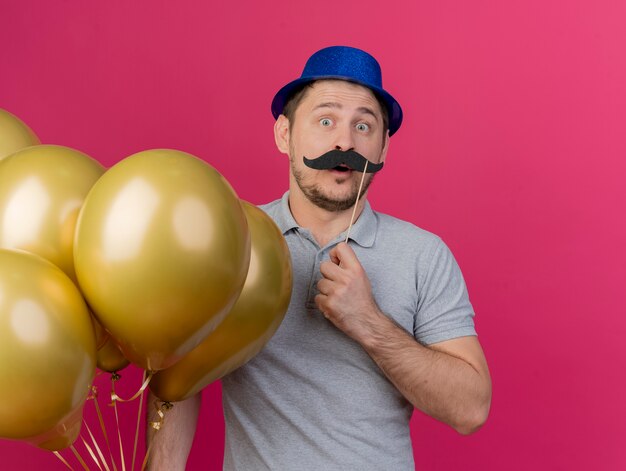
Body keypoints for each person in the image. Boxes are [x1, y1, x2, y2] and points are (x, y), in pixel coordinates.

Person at [147, 45, 491, 470]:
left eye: (364, 126)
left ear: (383, 149)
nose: (344, 141)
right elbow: (178, 377)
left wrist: (368, 322)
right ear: (284, 134)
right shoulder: (234, 241)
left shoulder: (425, 255)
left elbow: (470, 409)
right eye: (325, 120)